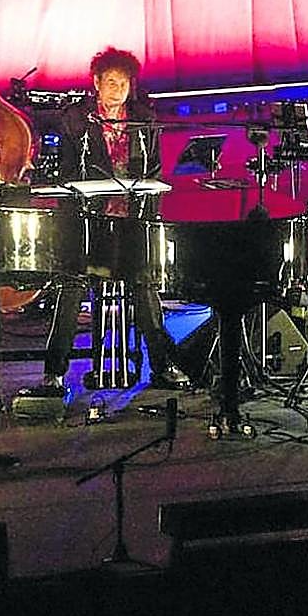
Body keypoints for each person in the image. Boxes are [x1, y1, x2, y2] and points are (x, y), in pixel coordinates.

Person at [38, 47, 190, 392]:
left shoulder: (142, 118)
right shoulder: (76, 119)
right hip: (88, 219)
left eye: (123, 83)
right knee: (72, 286)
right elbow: (66, 169)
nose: (117, 90)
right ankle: (54, 372)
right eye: (110, 83)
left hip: (132, 218)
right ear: (96, 83)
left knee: (144, 285)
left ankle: (163, 366)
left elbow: (154, 168)